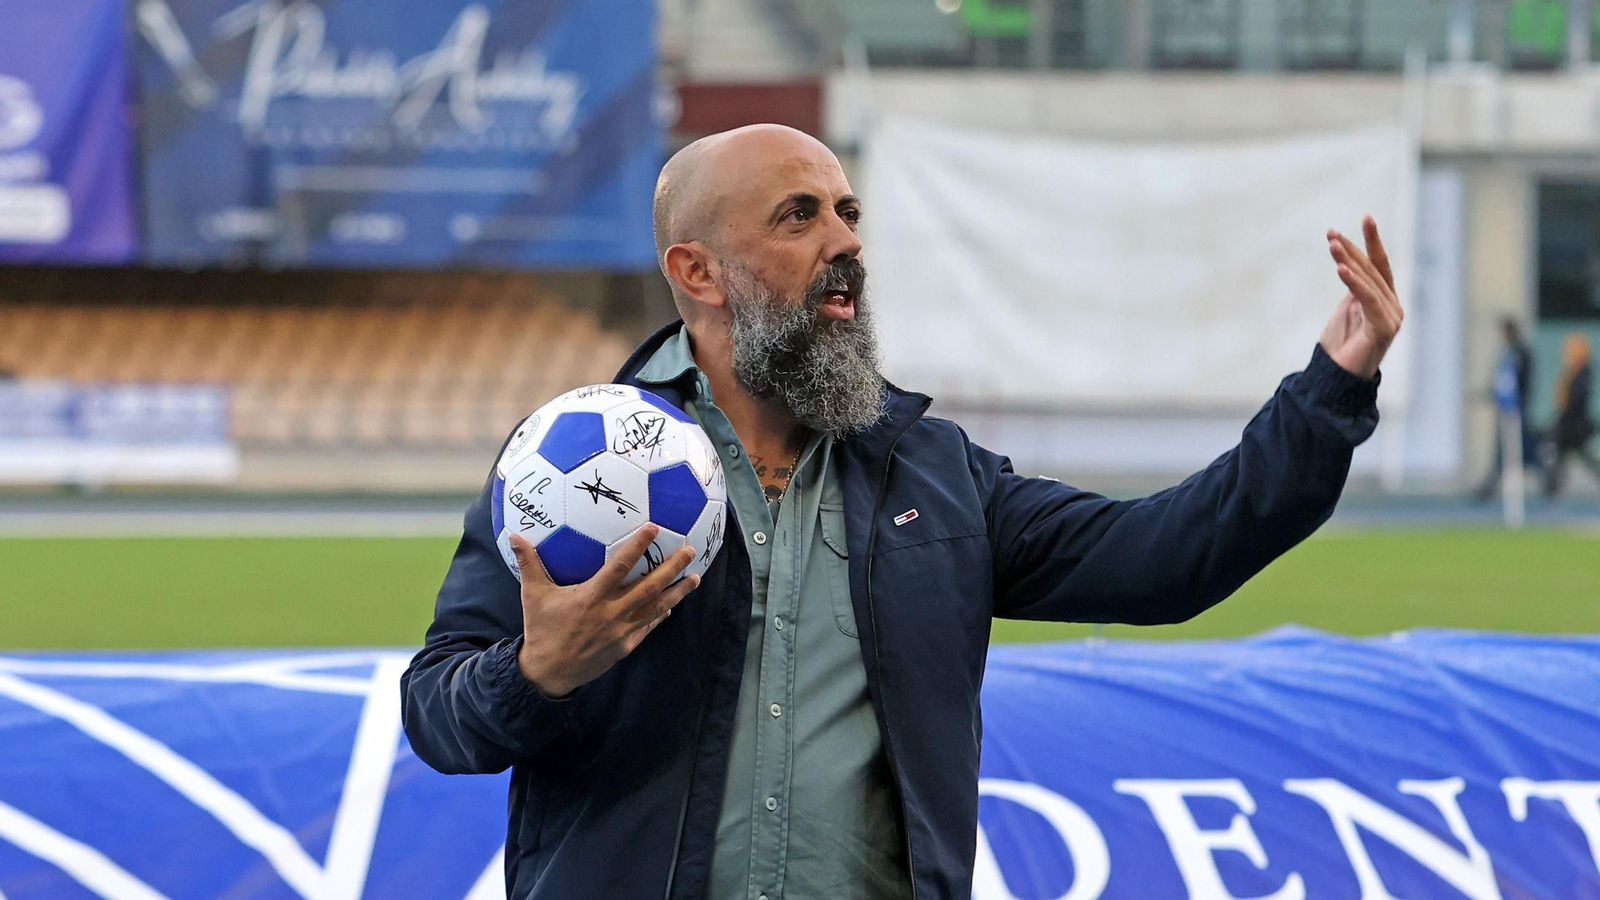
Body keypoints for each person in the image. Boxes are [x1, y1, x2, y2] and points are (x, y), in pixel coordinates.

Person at [400, 124, 1401, 900]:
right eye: (798, 217)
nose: (844, 243)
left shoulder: (934, 477)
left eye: (846, 212)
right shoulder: (573, 466)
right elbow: (438, 714)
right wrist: (535, 676)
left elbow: (1164, 560)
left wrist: (1326, 394)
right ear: (696, 271)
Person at [1474, 316, 1538, 499]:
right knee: (1507, 450)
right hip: (1510, 409)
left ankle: (1548, 478)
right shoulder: (1512, 352)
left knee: (1518, 448)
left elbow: (1513, 384)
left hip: (1516, 410)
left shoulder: (1518, 354)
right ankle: (1488, 488)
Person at [1543, 333, 1600, 496]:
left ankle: (1551, 491)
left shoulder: (1584, 373)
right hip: (1570, 426)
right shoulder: (1574, 372)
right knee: (1561, 460)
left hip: (1573, 427)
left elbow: (1575, 402)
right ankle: (1551, 490)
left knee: (1563, 459)